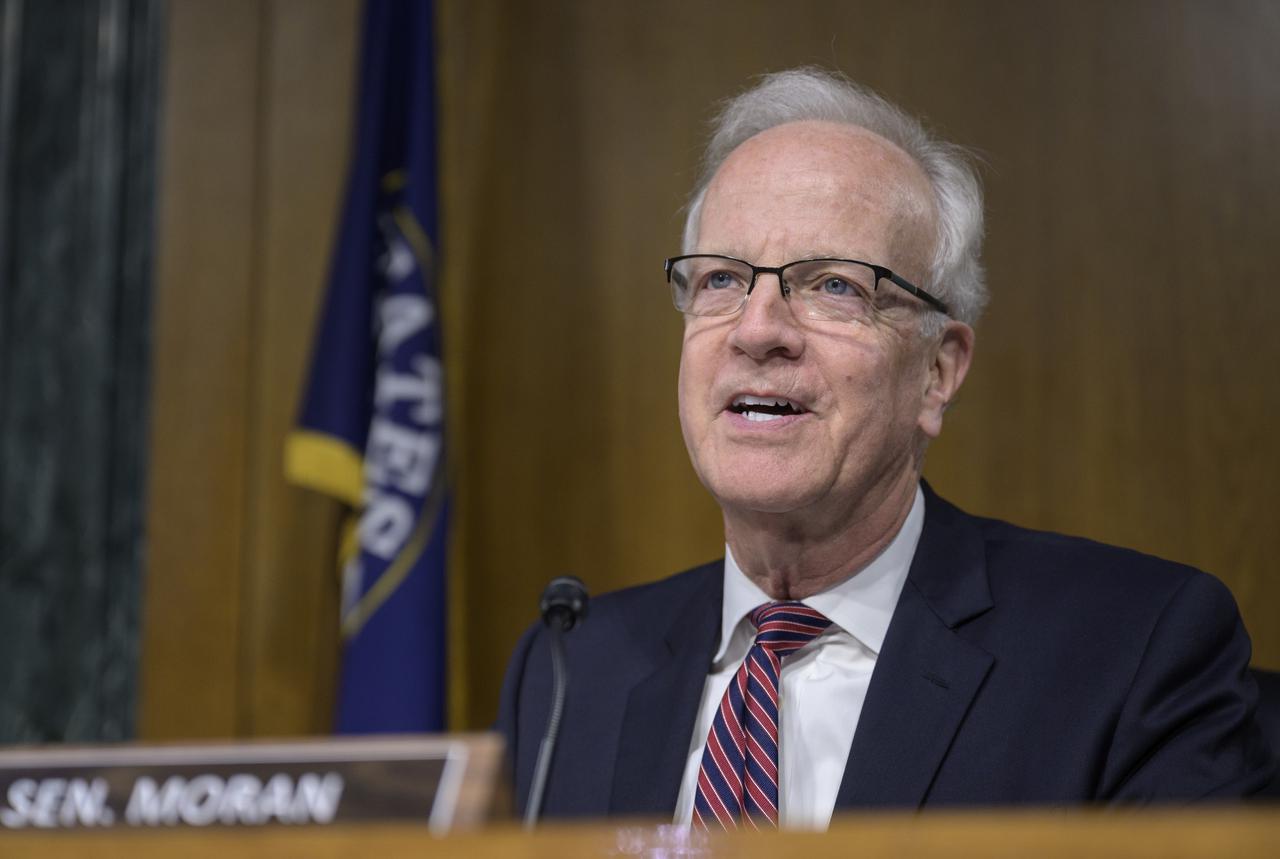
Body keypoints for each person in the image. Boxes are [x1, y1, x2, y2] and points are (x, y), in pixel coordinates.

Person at [496, 68, 1274, 829]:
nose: (757, 328)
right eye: (722, 280)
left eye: (834, 285)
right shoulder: (572, 669)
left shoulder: (1131, 650)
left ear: (937, 372)